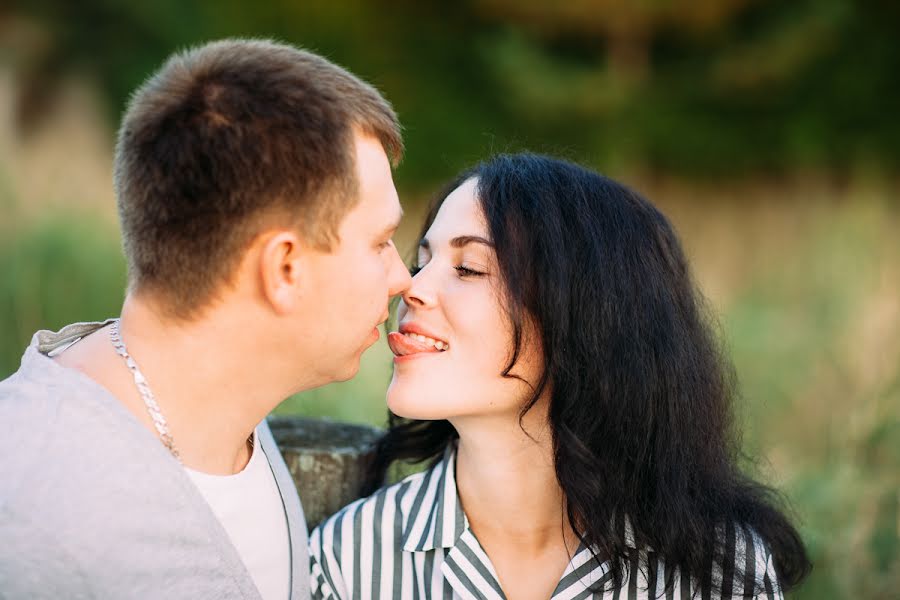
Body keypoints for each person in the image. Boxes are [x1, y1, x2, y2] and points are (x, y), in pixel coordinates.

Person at [0, 39, 410, 599]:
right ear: (283, 268)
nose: (402, 279)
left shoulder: (231, 415)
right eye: (382, 242)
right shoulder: (32, 521)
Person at [308, 154, 811, 599]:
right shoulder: (347, 561)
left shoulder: (719, 573)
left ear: (586, 316)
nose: (411, 289)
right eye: (423, 261)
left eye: (469, 268)